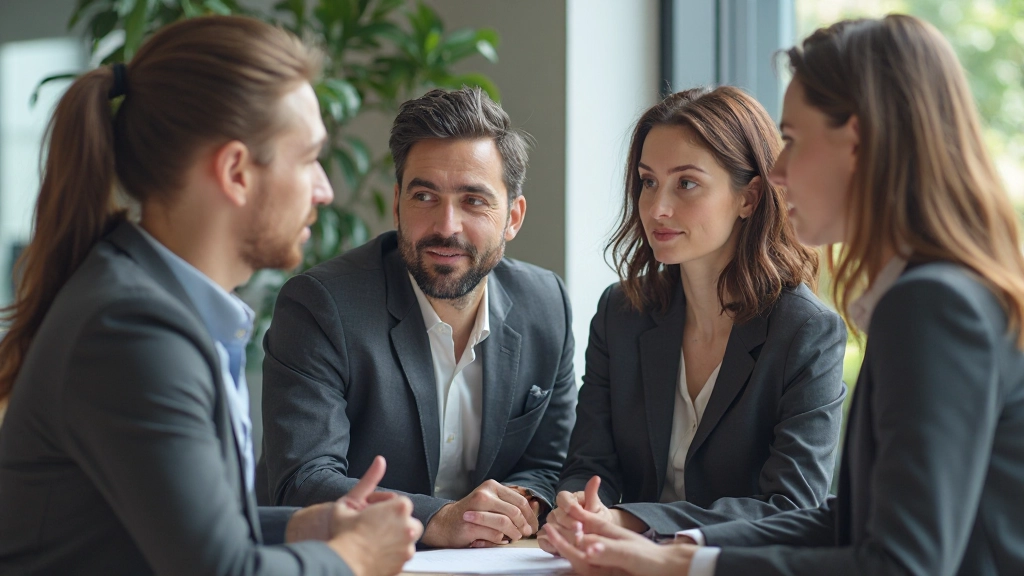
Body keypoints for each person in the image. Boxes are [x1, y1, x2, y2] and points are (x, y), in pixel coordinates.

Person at [542, 14, 1024, 576]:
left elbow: (899, 563)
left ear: (858, 141)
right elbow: (851, 522)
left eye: (791, 140)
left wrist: (676, 565)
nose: (776, 170)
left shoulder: (931, 306)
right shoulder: (933, 295)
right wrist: (675, 552)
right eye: (648, 182)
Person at [0, 16, 421, 576]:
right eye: (307, 159)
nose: (325, 189)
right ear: (236, 172)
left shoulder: (148, 304)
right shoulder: (132, 329)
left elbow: (190, 532)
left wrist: (304, 526)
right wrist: (354, 557)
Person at [260, 86, 577, 549]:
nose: (446, 226)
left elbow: (550, 461)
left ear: (513, 217)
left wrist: (522, 500)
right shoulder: (320, 306)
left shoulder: (546, 304)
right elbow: (302, 482)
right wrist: (438, 518)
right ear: (397, 204)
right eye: (424, 196)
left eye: (473, 201)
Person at [539, 86, 846, 553]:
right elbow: (589, 464)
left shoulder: (805, 332)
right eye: (647, 181)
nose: (657, 207)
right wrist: (580, 508)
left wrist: (634, 521)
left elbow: (791, 507)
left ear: (749, 198)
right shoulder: (621, 314)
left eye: (686, 183)